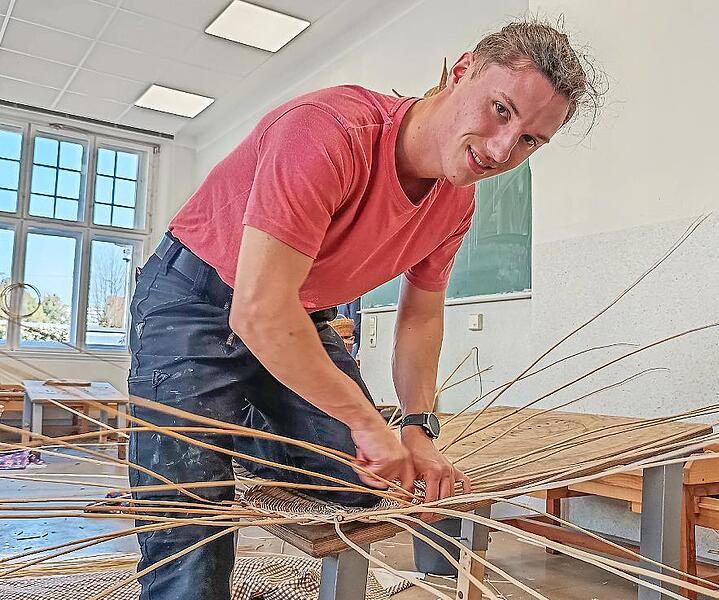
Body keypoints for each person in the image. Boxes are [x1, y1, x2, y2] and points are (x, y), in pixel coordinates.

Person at [127, 18, 593, 600]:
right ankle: (216, 432)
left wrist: (418, 429)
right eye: (500, 110)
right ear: (463, 69)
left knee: (364, 480)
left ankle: (242, 424)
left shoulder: (458, 203)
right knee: (190, 517)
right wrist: (367, 420)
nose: (503, 149)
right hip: (194, 298)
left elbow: (420, 316)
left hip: (299, 312)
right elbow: (258, 311)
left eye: (530, 141)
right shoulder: (328, 131)